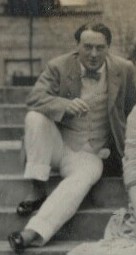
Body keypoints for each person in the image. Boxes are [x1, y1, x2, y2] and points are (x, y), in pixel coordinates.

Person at [8, 23, 136, 253]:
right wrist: (63, 105)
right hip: (59, 144)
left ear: (109, 47)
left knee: (83, 179)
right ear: (76, 46)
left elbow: (131, 108)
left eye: (100, 47)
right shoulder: (58, 66)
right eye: (87, 47)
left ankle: (33, 232)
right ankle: (38, 184)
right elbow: (34, 98)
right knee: (35, 117)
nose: (94, 54)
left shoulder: (125, 69)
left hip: (92, 153)